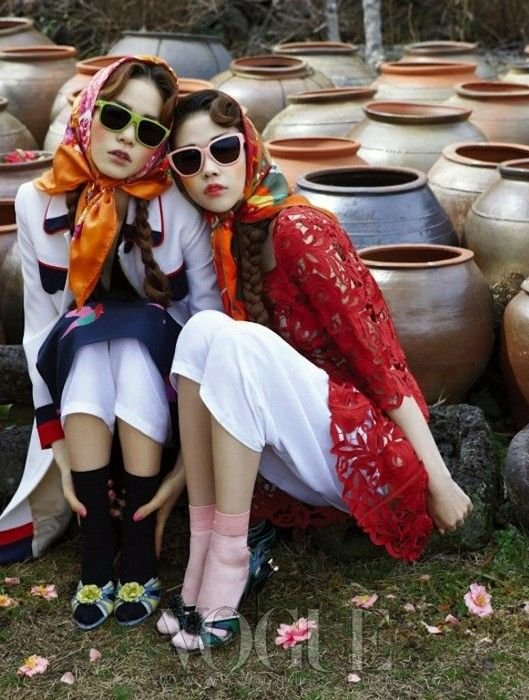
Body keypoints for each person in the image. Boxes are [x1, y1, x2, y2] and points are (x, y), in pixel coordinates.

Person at [150, 89, 472, 652]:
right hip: (301, 444)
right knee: (202, 331)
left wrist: (440, 481)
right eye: (189, 160)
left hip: (365, 451)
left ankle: (230, 558)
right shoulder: (226, 235)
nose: (211, 170)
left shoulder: (300, 230)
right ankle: (206, 551)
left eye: (223, 150)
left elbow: (383, 364)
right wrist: (177, 477)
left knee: (235, 340)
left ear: (249, 148)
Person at [7, 59, 221, 631]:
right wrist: (54, 444)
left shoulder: (178, 206)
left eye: (148, 130)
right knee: (89, 334)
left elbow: (208, 327)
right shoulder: (36, 201)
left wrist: (189, 464)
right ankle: (99, 544)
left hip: (166, 386)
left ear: (159, 145)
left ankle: (136, 542)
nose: (128, 137)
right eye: (116, 117)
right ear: (88, 113)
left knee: (127, 335)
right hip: (79, 380)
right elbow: (40, 329)